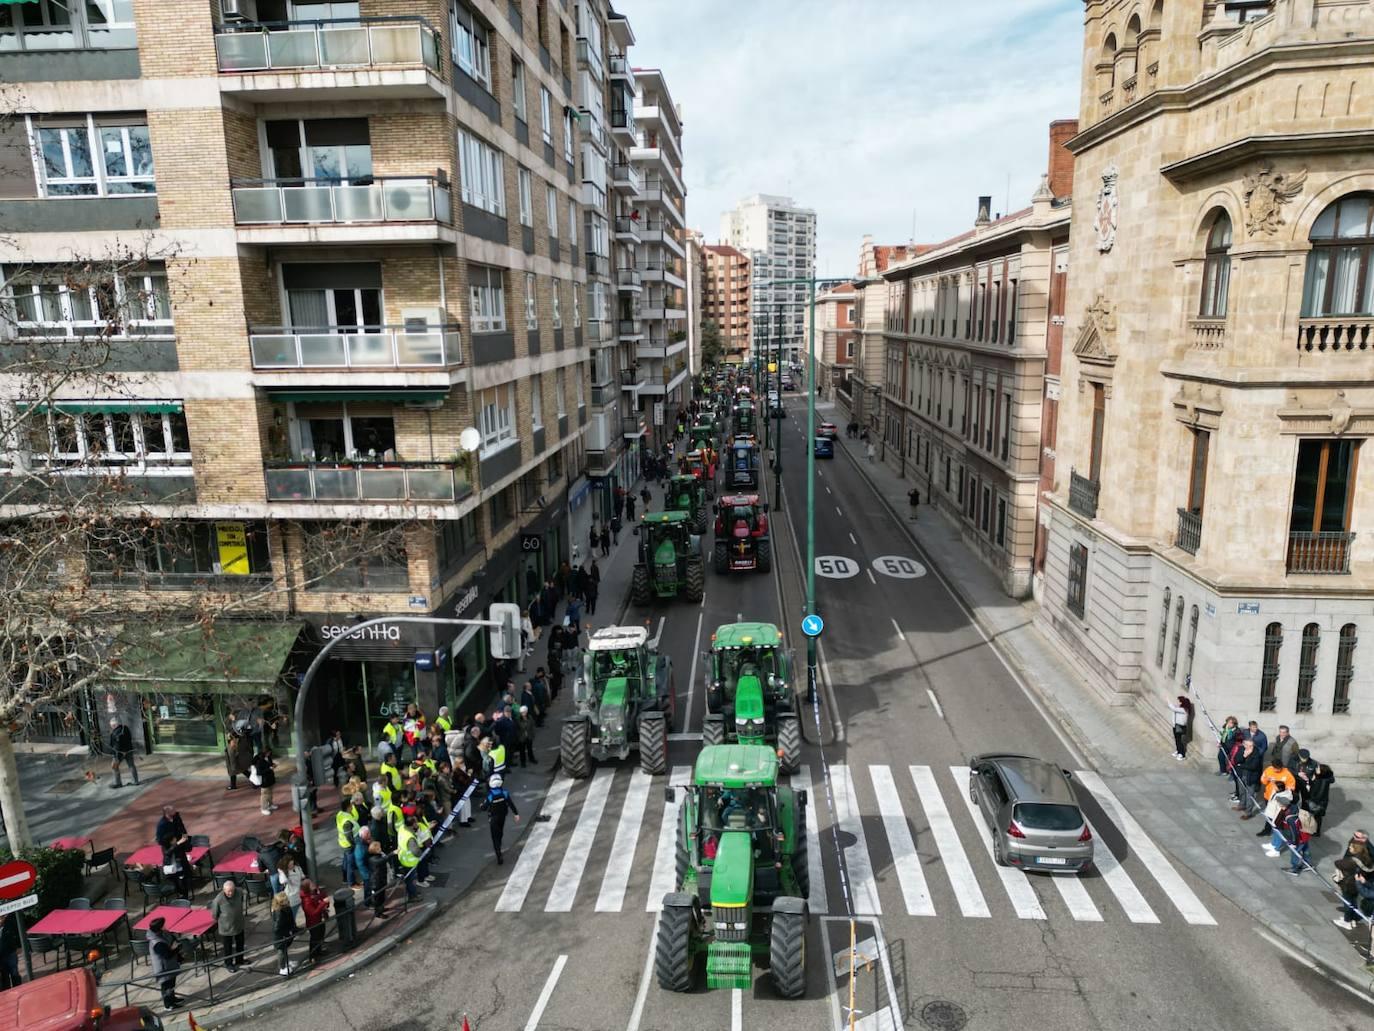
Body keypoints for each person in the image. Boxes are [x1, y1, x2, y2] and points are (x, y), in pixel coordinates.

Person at [1332, 830, 1374, 929]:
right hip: (1357, 879)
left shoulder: (1356, 858)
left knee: (1347, 901)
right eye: (1354, 835)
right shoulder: (1362, 849)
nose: (1354, 838)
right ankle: (1352, 918)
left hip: (1351, 881)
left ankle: (1347, 921)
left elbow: (1338, 863)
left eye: (1357, 837)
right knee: (1353, 900)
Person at [209, 878, 246, 972]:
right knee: (228, 948)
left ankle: (240, 960)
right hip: (226, 928)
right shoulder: (218, 900)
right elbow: (214, 914)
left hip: (238, 924)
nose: (231, 893)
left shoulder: (239, 892)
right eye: (228, 891)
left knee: (240, 944)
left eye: (232, 891)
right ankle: (228, 964)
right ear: (224, 890)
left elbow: (241, 901)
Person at [147, 916, 183, 1010]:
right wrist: (175, 949)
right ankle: (168, 1005)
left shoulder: (160, 934)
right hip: (164, 968)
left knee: (171, 984)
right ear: (160, 927)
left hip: (169, 965)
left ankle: (173, 999)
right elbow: (167, 955)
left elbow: (171, 939)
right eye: (164, 925)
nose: (165, 926)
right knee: (166, 986)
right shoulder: (157, 942)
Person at [484, 773, 520, 865]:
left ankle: (498, 853)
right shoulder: (505, 793)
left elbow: (484, 807)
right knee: (500, 833)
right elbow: (511, 804)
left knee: (494, 836)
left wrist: (481, 805)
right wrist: (516, 814)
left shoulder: (490, 795)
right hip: (502, 816)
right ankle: (499, 846)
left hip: (493, 818)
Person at [1233, 738, 1265, 817]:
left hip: (1251, 776)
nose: (1250, 747)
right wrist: (1244, 756)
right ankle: (1242, 805)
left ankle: (1248, 812)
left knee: (1249, 795)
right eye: (1248, 745)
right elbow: (1236, 760)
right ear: (1244, 745)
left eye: (1251, 745)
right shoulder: (1241, 750)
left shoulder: (1256, 753)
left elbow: (1253, 766)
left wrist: (1241, 765)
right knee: (1242, 792)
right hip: (1241, 775)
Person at [299, 879, 330, 960]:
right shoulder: (306, 900)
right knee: (315, 939)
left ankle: (319, 952)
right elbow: (313, 912)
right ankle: (313, 956)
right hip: (314, 922)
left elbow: (317, 899)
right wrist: (323, 903)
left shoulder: (312, 894)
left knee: (320, 936)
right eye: (311, 884)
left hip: (319, 919)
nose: (313, 884)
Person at [337, 799, 362, 888]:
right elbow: (349, 835)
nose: (352, 808)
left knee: (346, 861)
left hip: (343, 843)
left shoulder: (340, 814)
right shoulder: (347, 821)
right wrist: (354, 844)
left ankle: (345, 878)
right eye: (351, 806)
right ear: (348, 807)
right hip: (349, 845)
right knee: (350, 864)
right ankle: (351, 883)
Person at [1305, 762, 1335, 836]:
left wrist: (1309, 798)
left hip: (1317, 802)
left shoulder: (1320, 780)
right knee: (1318, 817)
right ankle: (1316, 831)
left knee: (1314, 816)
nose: (1316, 769)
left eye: (1318, 768)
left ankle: (1314, 831)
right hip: (1322, 802)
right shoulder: (1325, 778)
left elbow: (1317, 793)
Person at [108, 717, 139, 789]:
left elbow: (116, 745)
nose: (111, 726)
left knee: (114, 767)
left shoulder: (114, 733)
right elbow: (129, 738)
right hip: (129, 750)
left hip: (119, 753)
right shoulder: (125, 728)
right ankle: (136, 781)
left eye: (111, 725)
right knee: (131, 765)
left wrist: (115, 756)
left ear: (114, 725)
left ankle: (118, 783)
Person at [270, 892, 296, 977]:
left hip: (285, 935)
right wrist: (287, 932)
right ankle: (282, 968)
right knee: (281, 952)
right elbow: (277, 928)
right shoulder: (279, 913)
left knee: (284, 951)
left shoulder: (285, 909)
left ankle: (285, 963)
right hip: (281, 937)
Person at [365, 840, 390, 917]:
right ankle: (378, 913)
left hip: (381, 880)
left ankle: (381, 908)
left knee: (382, 896)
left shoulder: (378, 855)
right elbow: (383, 860)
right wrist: (392, 853)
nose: (381, 849)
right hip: (376, 882)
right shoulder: (373, 859)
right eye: (379, 848)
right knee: (377, 898)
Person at [251, 746, 277, 816]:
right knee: (265, 794)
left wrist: (272, 765)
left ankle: (270, 804)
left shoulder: (268, 757)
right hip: (264, 780)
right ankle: (264, 808)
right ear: (265, 752)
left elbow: (269, 764)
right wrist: (270, 768)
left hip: (270, 779)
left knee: (270, 793)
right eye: (269, 753)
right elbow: (259, 772)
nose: (270, 754)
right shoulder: (260, 760)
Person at [277, 853, 304, 918]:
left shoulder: (297, 867)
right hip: (292, 896)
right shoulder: (284, 872)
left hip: (300, 893)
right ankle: (293, 927)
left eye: (292, 864)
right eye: (290, 865)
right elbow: (283, 881)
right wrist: (281, 871)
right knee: (293, 915)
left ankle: (295, 927)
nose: (292, 866)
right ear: (286, 864)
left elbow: (302, 876)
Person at [0, 914, 20, 990]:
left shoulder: (9, 924)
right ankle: (7, 992)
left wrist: (18, 946)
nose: (0, 920)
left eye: (1, 918)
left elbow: (17, 934)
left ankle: (18, 988)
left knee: (14, 972)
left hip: (11, 953)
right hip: (1, 956)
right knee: (4, 976)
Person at [1169, 696, 1192, 760]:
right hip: (1176, 725)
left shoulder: (1184, 709)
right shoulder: (1181, 708)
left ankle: (1182, 754)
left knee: (1179, 740)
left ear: (1182, 702)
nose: (1177, 702)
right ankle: (1178, 751)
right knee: (1177, 739)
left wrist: (1168, 701)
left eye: (1178, 701)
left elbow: (1173, 708)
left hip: (1180, 726)